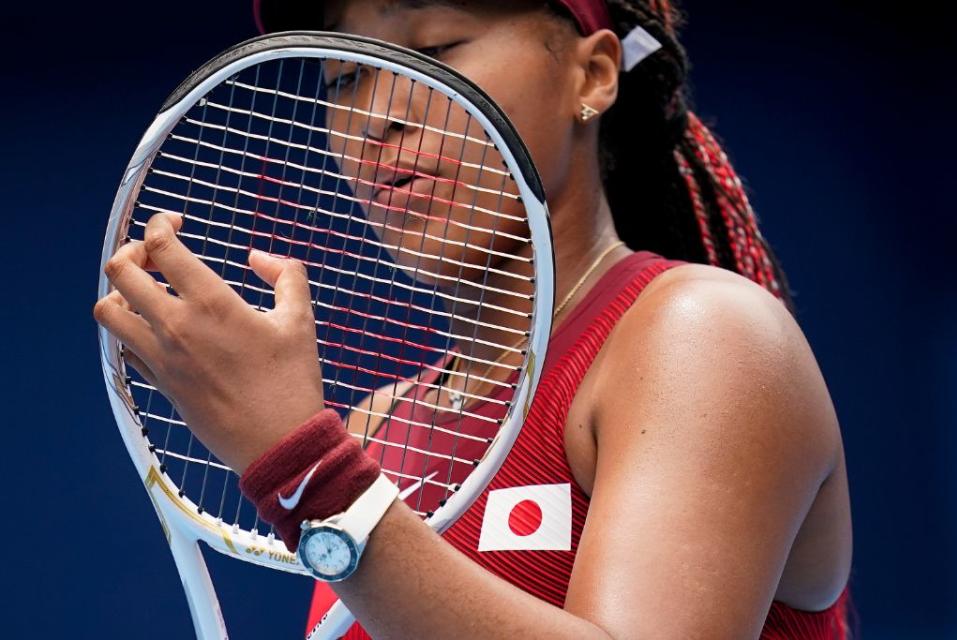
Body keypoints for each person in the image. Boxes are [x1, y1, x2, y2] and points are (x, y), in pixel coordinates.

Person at [94, 0, 854, 637]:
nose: (378, 117)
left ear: (590, 75)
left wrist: (307, 471)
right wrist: (321, 470)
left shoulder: (705, 337)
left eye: (437, 48)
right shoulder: (373, 431)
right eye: (346, 76)